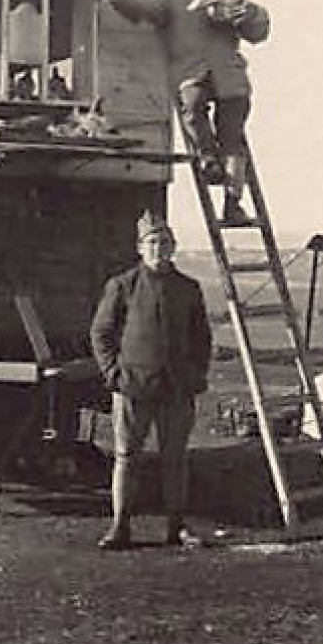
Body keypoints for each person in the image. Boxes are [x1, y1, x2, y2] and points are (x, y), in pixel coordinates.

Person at [102, 0, 270, 225]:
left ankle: (233, 204)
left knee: (233, 138)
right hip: (192, 73)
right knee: (192, 106)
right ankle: (208, 160)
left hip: (229, 76)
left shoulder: (226, 0)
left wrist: (250, 14)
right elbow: (140, 9)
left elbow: (258, 31)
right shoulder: (173, 1)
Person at [89, 211, 213, 550]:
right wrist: (114, 374)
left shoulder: (188, 288)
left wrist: (194, 375)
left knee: (175, 458)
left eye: (165, 243)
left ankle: (176, 527)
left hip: (176, 389)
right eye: (153, 243)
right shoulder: (123, 285)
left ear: (174, 248)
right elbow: (101, 333)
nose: (159, 248)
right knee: (127, 456)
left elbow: (202, 338)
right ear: (141, 248)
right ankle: (120, 526)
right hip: (133, 386)